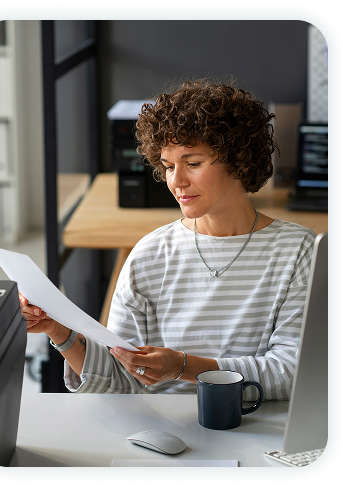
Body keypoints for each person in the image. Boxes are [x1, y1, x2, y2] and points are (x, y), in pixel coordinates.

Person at [19, 79, 316, 400]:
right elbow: (121, 378)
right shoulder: (149, 254)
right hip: (166, 431)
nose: (177, 181)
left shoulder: (299, 251)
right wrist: (58, 332)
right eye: (168, 166)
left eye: (193, 163)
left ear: (239, 159)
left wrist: (184, 367)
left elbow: (293, 372)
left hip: (259, 429)